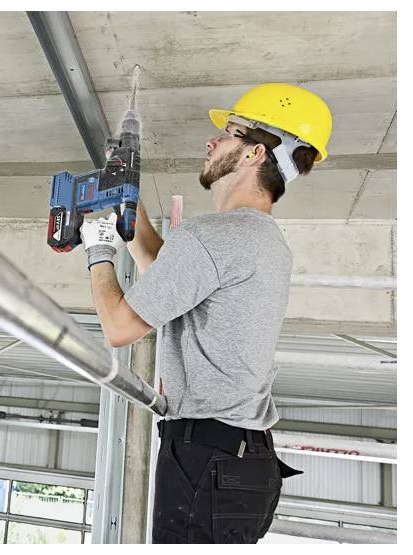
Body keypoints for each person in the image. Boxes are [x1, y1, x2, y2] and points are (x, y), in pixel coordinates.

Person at [79, 83, 333, 543]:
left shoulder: (214, 236)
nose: (211, 142)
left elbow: (119, 328)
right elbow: (167, 279)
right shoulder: (258, 238)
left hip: (209, 459)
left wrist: (98, 249)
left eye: (228, 133)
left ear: (255, 153)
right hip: (235, 463)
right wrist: (125, 199)